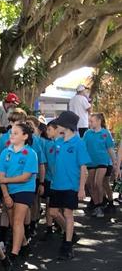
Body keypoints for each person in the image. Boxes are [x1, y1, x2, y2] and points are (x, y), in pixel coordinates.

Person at [47, 111, 90, 259]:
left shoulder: (79, 143)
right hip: (56, 184)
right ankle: (70, 233)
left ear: (66, 125)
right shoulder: (58, 142)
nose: (57, 125)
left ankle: (67, 245)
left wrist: (81, 188)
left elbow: (84, 169)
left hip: (71, 185)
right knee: (53, 213)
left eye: (59, 123)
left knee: (68, 213)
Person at [0, 122, 38, 268]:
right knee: (14, 222)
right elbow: (0, 176)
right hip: (9, 190)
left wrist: (6, 180)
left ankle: (14, 253)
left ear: (25, 136)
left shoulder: (31, 154)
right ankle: (25, 244)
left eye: (15, 133)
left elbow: (26, 177)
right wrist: (6, 195)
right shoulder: (5, 152)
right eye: (11, 133)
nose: (11, 135)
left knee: (18, 221)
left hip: (25, 189)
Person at [83, 113, 117, 217]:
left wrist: (115, 162)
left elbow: (110, 149)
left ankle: (101, 205)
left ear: (98, 121)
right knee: (89, 184)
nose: (90, 123)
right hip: (91, 162)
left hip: (102, 161)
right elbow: (82, 147)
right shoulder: (87, 133)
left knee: (98, 182)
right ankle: (97, 204)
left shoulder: (105, 133)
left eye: (92, 121)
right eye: (89, 121)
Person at [39, 121, 59, 241]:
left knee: (60, 206)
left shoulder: (61, 144)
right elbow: (45, 163)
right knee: (49, 203)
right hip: (49, 179)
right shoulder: (47, 144)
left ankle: (61, 226)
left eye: (50, 129)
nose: (47, 132)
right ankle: (49, 227)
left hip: (60, 180)